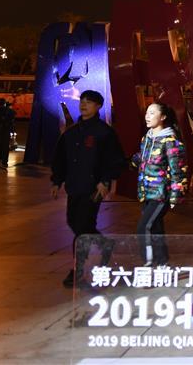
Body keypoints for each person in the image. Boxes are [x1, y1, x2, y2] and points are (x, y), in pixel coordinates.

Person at [50, 90, 124, 287]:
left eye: (89, 102)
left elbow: (114, 160)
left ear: (98, 106)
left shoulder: (104, 132)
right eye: (82, 101)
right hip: (74, 186)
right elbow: (60, 159)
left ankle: (77, 270)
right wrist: (57, 181)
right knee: (73, 222)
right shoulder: (71, 132)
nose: (84, 105)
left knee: (82, 228)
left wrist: (105, 180)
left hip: (94, 188)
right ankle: (104, 244)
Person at [132, 102, 187, 266]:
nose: (147, 116)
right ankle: (163, 263)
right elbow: (142, 158)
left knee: (144, 227)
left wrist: (175, 195)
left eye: (152, 113)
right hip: (146, 191)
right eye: (147, 113)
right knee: (155, 227)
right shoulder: (147, 138)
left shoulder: (170, 141)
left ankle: (148, 263)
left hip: (161, 194)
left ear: (163, 117)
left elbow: (178, 170)